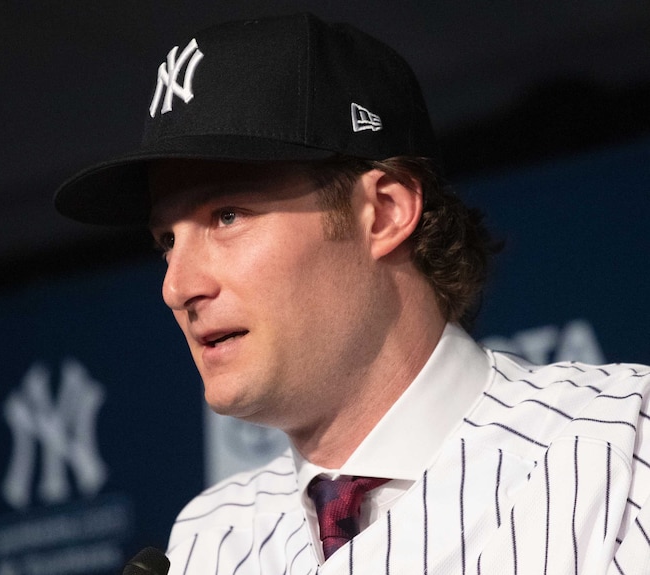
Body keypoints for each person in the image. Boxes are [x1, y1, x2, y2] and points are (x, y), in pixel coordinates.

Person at [54, 12, 650, 575]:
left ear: (384, 212)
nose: (177, 286)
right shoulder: (208, 540)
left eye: (228, 215)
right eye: (166, 239)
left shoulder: (621, 443)